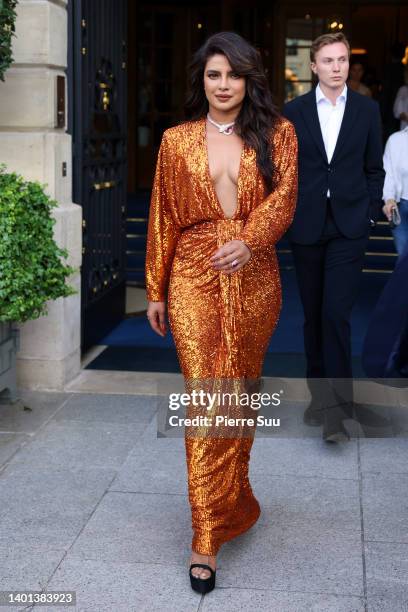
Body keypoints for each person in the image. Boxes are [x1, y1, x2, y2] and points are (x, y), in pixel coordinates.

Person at [145, 31, 298, 593]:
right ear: (201, 81)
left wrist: (252, 240)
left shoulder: (279, 134)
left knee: (241, 392)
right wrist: (155, 288)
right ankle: (205, 535)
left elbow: (284, 200)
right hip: (192, 273)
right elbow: (161, 215)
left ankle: (235, 498)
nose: (224, 84)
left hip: (256, 277)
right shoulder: (174, 140)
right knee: (208, 395)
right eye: (214, 74)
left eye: (233, 75)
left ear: (248, 78)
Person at [283, 32, 385, 443]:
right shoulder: (292, 112)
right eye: (328, 60)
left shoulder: (367, 110)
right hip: (306, 225)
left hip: (348, 227)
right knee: (312, 316)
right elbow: (282, 171)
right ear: (314, 67)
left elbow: (374, 168)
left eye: (342, 59)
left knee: (336, 314)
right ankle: (319, 398)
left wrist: (369, 212)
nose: (337, 67)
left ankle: (337, 408)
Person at [382, 126, 408, 258]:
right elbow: (388, 174)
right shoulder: (395, 140)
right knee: (404, 259)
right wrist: (389, 199)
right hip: (401, 207)